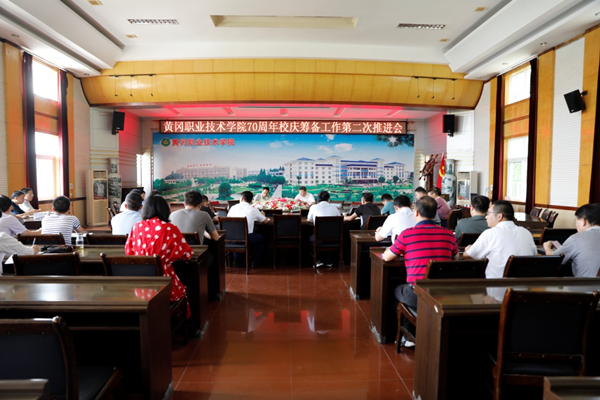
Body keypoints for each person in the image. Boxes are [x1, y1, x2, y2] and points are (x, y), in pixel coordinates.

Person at [382, 195, 458, 348]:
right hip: (443, 293)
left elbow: (387, 257)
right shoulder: (449, 235)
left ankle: (407, 335)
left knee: (396, 289)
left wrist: (387, 252)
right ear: (435, 213)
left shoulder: (407, 234)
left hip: (417, 293)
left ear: (416, 212)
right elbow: (455, 259)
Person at [125, 195, 193, 316]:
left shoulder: (136, 227)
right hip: (164, 283)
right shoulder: (169, 228)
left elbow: (129, 252)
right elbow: (187, 254)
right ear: (165, 210)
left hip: (139, 284)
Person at [463, 200, 537, 278]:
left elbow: (468, 256)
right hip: (525, 284)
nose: (486, 217)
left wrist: (469, 249)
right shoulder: (526, 232)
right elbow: (534, 254)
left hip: (498, 284)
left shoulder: (491, 233)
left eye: (488, 213)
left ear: (499, 216)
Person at [543, 203, 600, 277]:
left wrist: (547, 247)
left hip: (585, 284)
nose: (576, 225)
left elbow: (554, 259)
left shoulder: (576, 238)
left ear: (583, 221)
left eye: (576, 221)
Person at [227, 190, 270, 268]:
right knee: (262, 238)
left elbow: (228, 220)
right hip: (248, 237)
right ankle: (256, 262)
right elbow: (266, 221)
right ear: (251, 201)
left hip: (232, 238)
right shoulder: (253, 209)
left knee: (237, 236)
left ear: (241, 199)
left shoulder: (232, 208)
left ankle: (236, 261)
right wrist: (262, 215)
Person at [307, 190, 341, 268]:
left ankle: (318, 260)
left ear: (318, 199)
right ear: (328, 199)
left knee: (310, 237)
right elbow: (339, 218)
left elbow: (309, 219)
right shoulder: (334, 208)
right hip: (334, 237)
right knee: (329, 236)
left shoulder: (313, 207)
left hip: (318, 238)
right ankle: (330, 261)